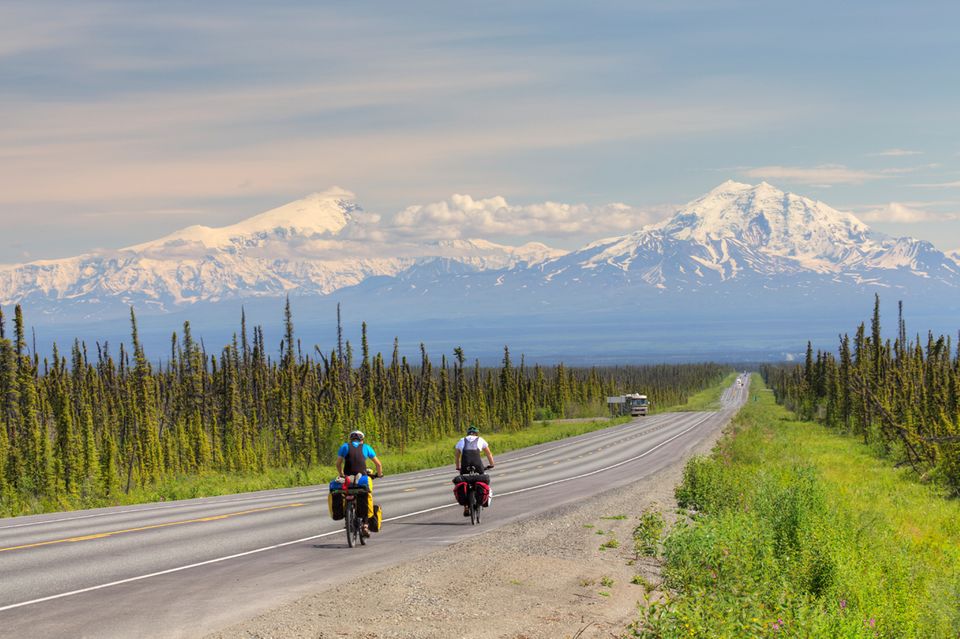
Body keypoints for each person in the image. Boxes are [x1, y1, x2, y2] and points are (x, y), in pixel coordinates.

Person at [337, 430, 383, 535]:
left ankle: (347, 518)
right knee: (366, 496)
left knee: (345, 493)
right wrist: (379, 475)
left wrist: (342, 474)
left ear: (350, 439)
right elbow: (378, 464)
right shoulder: (366, 447)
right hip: (362, 478)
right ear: (362, 439)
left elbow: (338, 464)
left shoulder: (344, 447)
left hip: (348, 479)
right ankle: (366, 525)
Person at [454, 425, 495, 516]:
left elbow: (457, 456)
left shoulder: (461, 440)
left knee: (462, 481)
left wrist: (458, 467)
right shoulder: (480, 439)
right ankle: (481, 498)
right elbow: (489, 454)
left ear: (467, 434)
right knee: (483, 478)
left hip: (465, 465)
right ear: (476, 433)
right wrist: (491, 464)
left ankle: (466, 507)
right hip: (477, 465)